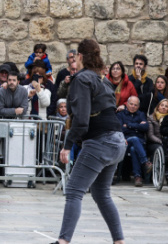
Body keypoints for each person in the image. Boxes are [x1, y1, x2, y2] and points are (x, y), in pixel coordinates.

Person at [52, 39, 126, 244]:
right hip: (118, 140)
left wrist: (67, 145)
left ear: (80, 57)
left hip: (100, 141)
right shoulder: (103, 80)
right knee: (102, 194)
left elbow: (82, 121)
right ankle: (119, 241)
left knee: (74, 190)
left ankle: (62, 242)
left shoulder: (82, 79)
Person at [117, 96, 151, 186]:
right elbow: (120, 129)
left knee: (133, 149)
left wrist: (128, 125)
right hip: (125, 142)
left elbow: (145, 127)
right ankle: (145, 162)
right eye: (131, 104)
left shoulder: (141, 114)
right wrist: (137, 126)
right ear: (127, 104)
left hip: (140, 143)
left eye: (135, 105)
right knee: (134, 139)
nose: (133, 106)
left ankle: (137, 177)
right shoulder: (121, 115)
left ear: (138, 106)